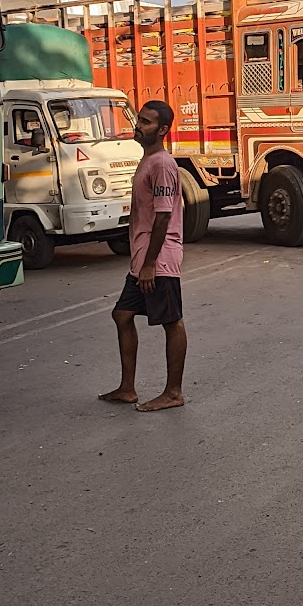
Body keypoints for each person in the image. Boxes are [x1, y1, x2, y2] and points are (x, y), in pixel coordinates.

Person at [99, 99, 187, 410]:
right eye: (139, 119)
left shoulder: (162, 164)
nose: (139, 125)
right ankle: (127, 388)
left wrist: (150, 264)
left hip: (158, 259)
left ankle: (173, 393)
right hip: (143, 259)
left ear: (162, 130)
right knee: (122, 315)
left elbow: (163, 217)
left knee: (171, 321)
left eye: (147, 122)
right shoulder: (147, 160)